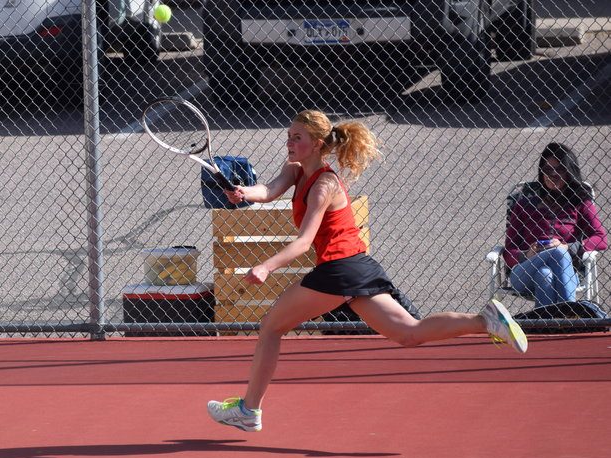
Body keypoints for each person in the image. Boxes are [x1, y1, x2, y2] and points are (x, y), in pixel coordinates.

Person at [207, 110, 528, 432]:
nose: (289, 142)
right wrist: (245, 192)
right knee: (408, 333)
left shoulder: (324, 185)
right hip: (357, 266)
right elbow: (270, 190)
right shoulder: (294, 170)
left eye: (297, 138)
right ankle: (486, 321)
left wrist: (266, 266)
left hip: (339, 269)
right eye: (289, 135)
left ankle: (249, 410)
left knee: (271, 327)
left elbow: (304, 241)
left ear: (317, 144)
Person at [503, 142, 607, 307]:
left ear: (569, 171)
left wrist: (568, 247)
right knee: (556, 254)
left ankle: (543, 326)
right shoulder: (524, 203)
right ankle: (570, 314)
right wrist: (526, 254)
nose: (553, 175)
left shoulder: (579, 201)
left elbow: (601, 239)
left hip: (565, 272)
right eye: (548, 169)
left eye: (559, 169)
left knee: (545, 274)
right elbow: (508, 251)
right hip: (524, 271)